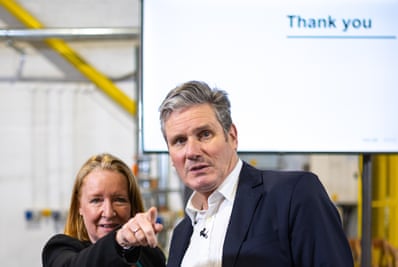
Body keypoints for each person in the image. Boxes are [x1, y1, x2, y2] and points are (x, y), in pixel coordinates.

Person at [159, 80, 354, 266]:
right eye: (179, 141)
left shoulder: (294, 195)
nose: (192, 151)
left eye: (205, 134)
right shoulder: (181, 235)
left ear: (232, 136)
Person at [42, 153, 166, 267]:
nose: (108, 213)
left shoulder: (150, 255)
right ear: (79, 206)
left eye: (119, 200)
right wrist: (118, 241)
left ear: (131, 206)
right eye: (96, 200)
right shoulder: (59, 250)